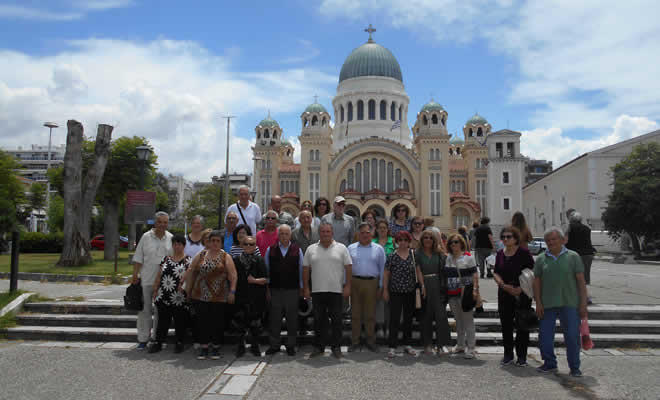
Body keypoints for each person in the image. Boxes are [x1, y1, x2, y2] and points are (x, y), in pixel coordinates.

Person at [534, 227, 588, 377]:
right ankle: (549, 363)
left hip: (569, 303)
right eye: (548, 240)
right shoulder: (540, 259)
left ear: (562, 240)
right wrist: (538, 302)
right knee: (545, 337)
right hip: (547, 304)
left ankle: (575, 367)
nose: (551, 242)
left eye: (554, 239)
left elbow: (581, 282)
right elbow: (536, 282)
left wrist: (583, 303)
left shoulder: (573, 256)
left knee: (572, 337)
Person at [185, 230, 237, 360]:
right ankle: (204, 348)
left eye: (217, 241)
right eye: (212, 240)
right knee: (202, 322)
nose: (214, 243)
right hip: (200, 295)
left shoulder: (226, 256)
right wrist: (188, 289)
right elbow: (191, 271)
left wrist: (232, 291)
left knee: (217, 322)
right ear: (208, 242)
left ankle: (215, 347)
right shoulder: (201, 254)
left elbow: (233, 275)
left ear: (221, 243)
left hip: (219, 296)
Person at [303, 222, 352, 359]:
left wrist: (348, 286)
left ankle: (336, 347)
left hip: (336, 291)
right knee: (319, 321)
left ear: (332, 233)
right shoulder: (311, 249)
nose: (325, 234)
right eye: (323, 231)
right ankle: (319, 347)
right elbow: (305, 269)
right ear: (319, 233)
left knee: (337, 321)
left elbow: (348, 267)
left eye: (328, 231)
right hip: (317, 291)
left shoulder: (341, 248)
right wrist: (306, 288)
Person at [493, 226, 535, 367]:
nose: (505, 239)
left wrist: (520, 289)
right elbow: (496, 272)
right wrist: (503, 285)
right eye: (503, 237)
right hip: (504, 293)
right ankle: (508, 354)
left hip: (521, 294)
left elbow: (532, 272)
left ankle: (522, 356)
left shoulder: (524, 253)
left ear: (516, 238)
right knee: (506, 326)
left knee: (522, 325)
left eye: (509, 236)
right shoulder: (500, 254)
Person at [132, 211, 173, 350]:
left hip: (164, 282)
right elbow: (138, 258)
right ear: (155, 223)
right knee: (145, 311)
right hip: (147, 279)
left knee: (160, 312)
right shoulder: (146, 237)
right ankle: (143, 339)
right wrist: (134, 276)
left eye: (165, 222)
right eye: (160, 222)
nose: (162, 225)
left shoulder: (170, 238)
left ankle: (156, 338)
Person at [265, 224, 304, 356]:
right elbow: (267, 271)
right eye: (281, 233)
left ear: (290, 235)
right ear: (278, 235)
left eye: (286, 234)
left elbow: (300, 271)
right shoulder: (271, 250)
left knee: (292, 319)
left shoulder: (297, 250)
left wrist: (302, 288)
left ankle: (291, 345)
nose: (284, 236)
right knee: (275, 319)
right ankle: (274, 345)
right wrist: (267, 289)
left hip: (292, 290)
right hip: (275, 290)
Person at [383, 231, 423, 358]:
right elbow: (386, 274)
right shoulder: (392, 256)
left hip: (410, 292)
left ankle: (407, 344)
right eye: (400, 240)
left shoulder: (413, 255)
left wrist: (422, 285)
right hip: (395, 292)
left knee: (408, 319)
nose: (403, 243)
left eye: (405, 240)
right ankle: (392, 346)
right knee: (394, 320)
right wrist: (385, 289)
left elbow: (418, 271)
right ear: (397, 241)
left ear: (409, 241)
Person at [347, 222, 386, 352]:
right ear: (358, 234)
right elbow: (347, 268)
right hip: (355, 282)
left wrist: (381, 286)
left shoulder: (378, 249)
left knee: (370, 314)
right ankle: (355, 341)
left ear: (372, 233)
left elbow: (382, 269)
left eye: (367, 232)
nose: (365, 235)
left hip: (372, 283)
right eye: (362, 233)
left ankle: (371, 341)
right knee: (355, 314)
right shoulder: (350, 248)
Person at [149, 234, 190, 354]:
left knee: (180, 321)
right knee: (162, 320)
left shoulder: (188, 260)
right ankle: (158, 343)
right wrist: (155, 289)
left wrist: (189, 292)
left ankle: (179, 343)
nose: (177, 246)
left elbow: (190, 277)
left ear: (184, 245)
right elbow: (159, 275)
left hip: (179, 296)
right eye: (175, 244)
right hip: (164, 295)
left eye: (179, 244)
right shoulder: (166, 259)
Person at [416, 230, 451, 356]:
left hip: (438, 285)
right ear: (422, 239)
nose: (428, 240)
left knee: (441, 316)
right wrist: (422, 285)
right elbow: (418, 269)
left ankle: (442, 345)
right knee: (426, 316)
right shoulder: (418, 253)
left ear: (434, 240)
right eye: (425, 237)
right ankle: (428, 344)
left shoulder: (440, 253)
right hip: (425, 285)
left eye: (430, 238)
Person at [232, 235, 268, 357]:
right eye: (246, 244)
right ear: (242, 245)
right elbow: (231, 279)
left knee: (256, 324)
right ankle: (240, 346)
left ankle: (254, 345)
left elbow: (266, 279)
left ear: (255, 246)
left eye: (251, 244)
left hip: (256, 297)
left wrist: (255, 281)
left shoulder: (259, 260)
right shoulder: (236, 261)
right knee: (240, 324)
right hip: (241, 296)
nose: (248, 246)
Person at [445, 233, 479, 359]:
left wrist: (475, 290)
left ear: (461, 243)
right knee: (458, 321)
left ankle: (471, 348)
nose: (454, 244)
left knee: (468, 321)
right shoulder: (448, 258)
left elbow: (475, 274)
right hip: (452, 294)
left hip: (465, 294)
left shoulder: (468, 258)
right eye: (451, 242)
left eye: (456, 242)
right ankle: (460, 345)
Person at [565, 212, 595, 305]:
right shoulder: (587, 229)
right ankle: (586, 298)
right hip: (588, 255)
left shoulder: (570, 228)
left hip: (574, 255)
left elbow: (565, 241)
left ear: (571, 220)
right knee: (584, 278)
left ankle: (574, 297)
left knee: (572, 277)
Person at [373, 219, 394, 336]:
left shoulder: (393, 242)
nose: (382, 230)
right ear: (376, 229)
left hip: (391, 276)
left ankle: (389, 326)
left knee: (389, 302)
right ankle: (380, 326)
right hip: (377, 276)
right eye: (380, 228)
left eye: (384, 228)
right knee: (379, 302)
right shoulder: (372, 242)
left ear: (387, 230)